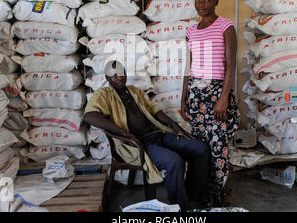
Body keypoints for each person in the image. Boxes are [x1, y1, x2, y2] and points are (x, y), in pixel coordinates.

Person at [84, 60, 209, 211]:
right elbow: (90, 116)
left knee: (200, 148)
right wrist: (124, 133)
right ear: (107, 78)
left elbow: (154, 110)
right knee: (174, 161)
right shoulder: (103, 94)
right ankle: (181, 207)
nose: (119, 77)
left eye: (122, 74)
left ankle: (194, 196)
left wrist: (174, 125)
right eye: (114, 75)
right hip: (138, 144)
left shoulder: (135, 91)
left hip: (158, 134)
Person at [181, 0, 240, 206]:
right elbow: (188, 68)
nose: (201, 4)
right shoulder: (190, 31)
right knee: (200, 147)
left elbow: (230, 65)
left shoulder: (226, 27)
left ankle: (220, 195)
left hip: (217, 96)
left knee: (219, 147)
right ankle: (201, 195)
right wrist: (183, 99)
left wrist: (224, 98)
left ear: (217, 0)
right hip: (195, 97)